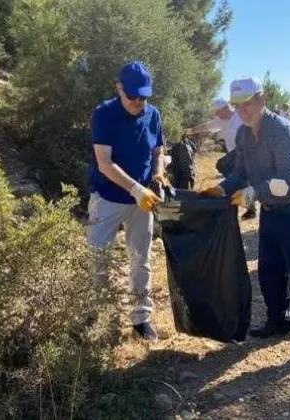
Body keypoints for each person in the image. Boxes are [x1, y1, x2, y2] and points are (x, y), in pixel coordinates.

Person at [201, 76, 290, 356]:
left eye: (248, 104)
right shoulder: (243, 135)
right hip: (270, 209)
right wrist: (222, 188)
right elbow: (241, 172)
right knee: (269, 270)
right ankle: (278, 321)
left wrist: (250, 194)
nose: (243, 111)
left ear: (262, 99)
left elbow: (284, 181)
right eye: (237, 105)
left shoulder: (282, 130)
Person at [87, 61, 166, 341]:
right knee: (99, 257)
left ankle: (141, 317)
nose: (137, 102)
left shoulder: (153, 115)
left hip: (142, 201)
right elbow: (105, 164)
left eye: (143, 96)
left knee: (140, 258)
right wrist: (135, 189)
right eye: (131, 96)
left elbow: (158, 150)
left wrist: (158, 174)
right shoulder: (104, 114)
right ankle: (101, 316)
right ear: (118, 89)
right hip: (107, 197)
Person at [188, 99, 256, 220]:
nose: (216, 115)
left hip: (245, 153)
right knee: (238, 178)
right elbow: (206, 127)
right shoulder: (220, 121)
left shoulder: (240, 117)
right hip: (234, 156)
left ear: (225, 109)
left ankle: (238, 192)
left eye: (217, 112)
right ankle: (248, 203)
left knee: (222, 165)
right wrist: (191, 131)